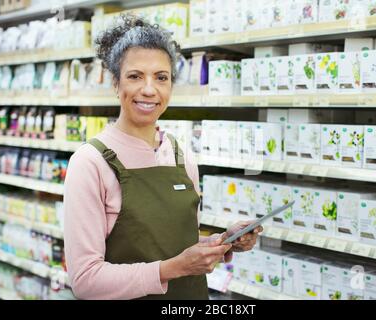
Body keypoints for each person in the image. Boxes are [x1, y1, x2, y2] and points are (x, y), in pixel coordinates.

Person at [63, 15, 263, 300]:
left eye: (161, 77)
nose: (149, 89)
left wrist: (221, 242)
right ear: (115, 83)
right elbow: (85, 280)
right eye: (135, 76)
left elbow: (175, 245)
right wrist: (171, 269)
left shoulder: (181, 156)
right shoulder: (90, 162)